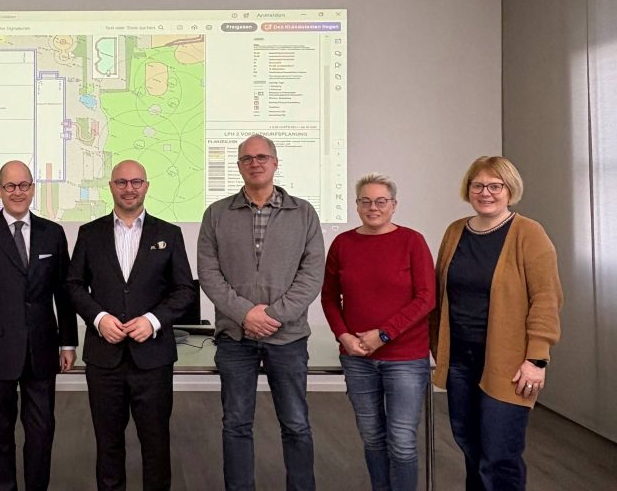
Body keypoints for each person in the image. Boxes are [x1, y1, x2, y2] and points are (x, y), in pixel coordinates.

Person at [197, 133, 323, 491]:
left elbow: (312, 274)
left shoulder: (304, 213)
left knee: (296, 424)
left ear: (275, 162)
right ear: (239, 166)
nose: (255, 163)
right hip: (235, 339)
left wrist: (274, 316)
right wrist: (245, 314)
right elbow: (209, 273)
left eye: (262, 157)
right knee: (236, 424)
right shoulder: (217, 214)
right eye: (247, 158)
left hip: (289, 338)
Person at [430, 156, 562, 491]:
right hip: (461, 361)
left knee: (499, 456)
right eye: (478, 185)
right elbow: (439, 292)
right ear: (468, 189)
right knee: (469, 446)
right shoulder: (455, 231)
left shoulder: (528, 233)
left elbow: (547, 299)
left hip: (509, 364)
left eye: (495, 186)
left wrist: (537, 359)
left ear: (509, 189)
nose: (485, 192)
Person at [66, 160, 195, 491]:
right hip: (104, 359)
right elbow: (74, 285)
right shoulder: (89, 233)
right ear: (110, 186)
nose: (129, 188)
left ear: (147, 186)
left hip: (152, 358)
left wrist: (153, 321)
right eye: (121, 182)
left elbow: (184, 290)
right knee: (108, 445)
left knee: (156, 445)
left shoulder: (169, 234)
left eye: (136, 181)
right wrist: (98, 318)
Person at [0, 160, 79, 491]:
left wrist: (68, 343)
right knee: (0, 433)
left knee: (41, 432)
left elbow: (63, 294)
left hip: (42, 350)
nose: (17, 192)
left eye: (24, 185)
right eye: (10, 186)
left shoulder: (52, 234)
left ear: (33, 188)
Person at [321, 173, 435, 491]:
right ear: (357, 206)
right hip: (357, 357)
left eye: (381, 201)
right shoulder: (343, 244)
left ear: (393, 205)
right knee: (372, 438)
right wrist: (343, 336)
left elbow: (427, 298)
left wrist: (383, 334)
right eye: (366, 201)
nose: (373, 207)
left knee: (401, 441)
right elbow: (329, 297)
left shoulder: (412, 241)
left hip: (405, 358)